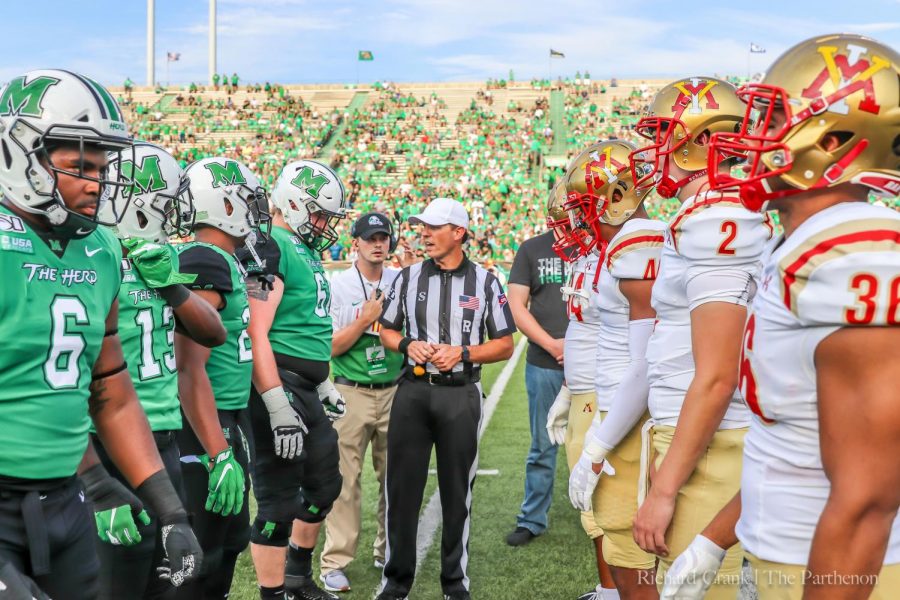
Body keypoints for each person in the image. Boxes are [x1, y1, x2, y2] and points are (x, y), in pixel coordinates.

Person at [662, 33, 900, 599]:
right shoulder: (802, 246)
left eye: (772, 120)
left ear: (835, 141)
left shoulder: (853, 254)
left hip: (836, 570)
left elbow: (868, 495)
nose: (750, 139)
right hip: (786, 552)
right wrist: (719, 538)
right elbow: (794, 432)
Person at [0, 69, 201, 599]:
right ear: (20, 156)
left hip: (63, 500)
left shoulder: (101, 249)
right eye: (79, 166)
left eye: (102, 166)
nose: (97, 182)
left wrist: (170, 510)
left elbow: (109, 390)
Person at [623, 77, 772, 598]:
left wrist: (664, 491)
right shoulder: (705, 211)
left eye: (664, 132)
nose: (654, 147)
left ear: (703, 139)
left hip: (712, 446)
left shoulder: (717, 217)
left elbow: (716, 375)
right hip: (700, 438)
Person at [94, 143, 228, 600]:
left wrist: (172, 287)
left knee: (168, 582)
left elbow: (213, 333)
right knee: (115, 584)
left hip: (164, 444)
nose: (174, 214)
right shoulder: (95, 255)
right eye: (169, 202)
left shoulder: (160, 256)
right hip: (113, 447)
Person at [376, 197, 516, 600]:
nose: (424, 234)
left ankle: (455, 583)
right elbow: (386, 330)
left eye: (434, 228)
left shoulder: (487, 281)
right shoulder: (407, 277)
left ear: (459, 233)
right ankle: (396, 580)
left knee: (458, 492)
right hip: (413, 393)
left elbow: (505, 344)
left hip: (461, 395)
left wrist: (464, 352)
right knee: (401, 490)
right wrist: (406, 344)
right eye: (422, 226)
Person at [563, 140, 665, 599]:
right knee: (621, 542)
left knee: (637, 549)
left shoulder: (639, 240)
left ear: (618, 196)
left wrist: (597, 447)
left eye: (587, 207)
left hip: (633, 418)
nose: (580, 220)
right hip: (617, 407)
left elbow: (645, 364)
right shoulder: (622, 245)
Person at [243, 159, 347, 600]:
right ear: (293, 203)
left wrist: (321, 380)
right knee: (278, 501)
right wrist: (275, 401)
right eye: (320, 214)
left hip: (304, 386)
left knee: (326, 484)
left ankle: (297, 577)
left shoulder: (300, 248)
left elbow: (305, 324)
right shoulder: (272, 245)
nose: (325, 225)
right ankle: (273, 594)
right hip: (278, 385)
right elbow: (257, 329)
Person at [174, 156, 271, 599]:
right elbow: (189, 366)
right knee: (204, 554)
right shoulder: (204, 260)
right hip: (205, 427)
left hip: (227, 417)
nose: (254, 211)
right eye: (248, 201)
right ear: (225, 203)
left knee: (228, 543)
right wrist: (217, 451)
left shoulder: (223, 261)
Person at [319, 212, 405, 593]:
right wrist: (365, 320)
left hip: (395, 388)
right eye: (370, 237)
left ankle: (386, 550)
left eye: (383, 237)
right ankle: (335, 560)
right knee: (344, 481)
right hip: (350, 389)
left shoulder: (400, 280)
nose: (378, 243)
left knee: (395, 479)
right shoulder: (338, 285)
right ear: (355, 242)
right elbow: (331, 346)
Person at [543, 177, 614, 600]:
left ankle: (616, 590)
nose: (566, 227)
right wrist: (569, 389)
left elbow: (623, 340)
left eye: (571, 217)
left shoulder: (616, 255)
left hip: (605, 396)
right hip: (585, 391)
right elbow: (584, 332)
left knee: (607, 504)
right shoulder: (587, 257)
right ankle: (608, 587)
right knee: (592, 504)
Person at [505, 215, 569, 547]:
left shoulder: (599, 242)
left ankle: (601, 520)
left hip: (592, 363)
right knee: (543, 446)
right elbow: (517, 307)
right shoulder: (532, 249)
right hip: (545, 362)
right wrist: (552, 344)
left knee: (600, 443)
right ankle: (532, 518)